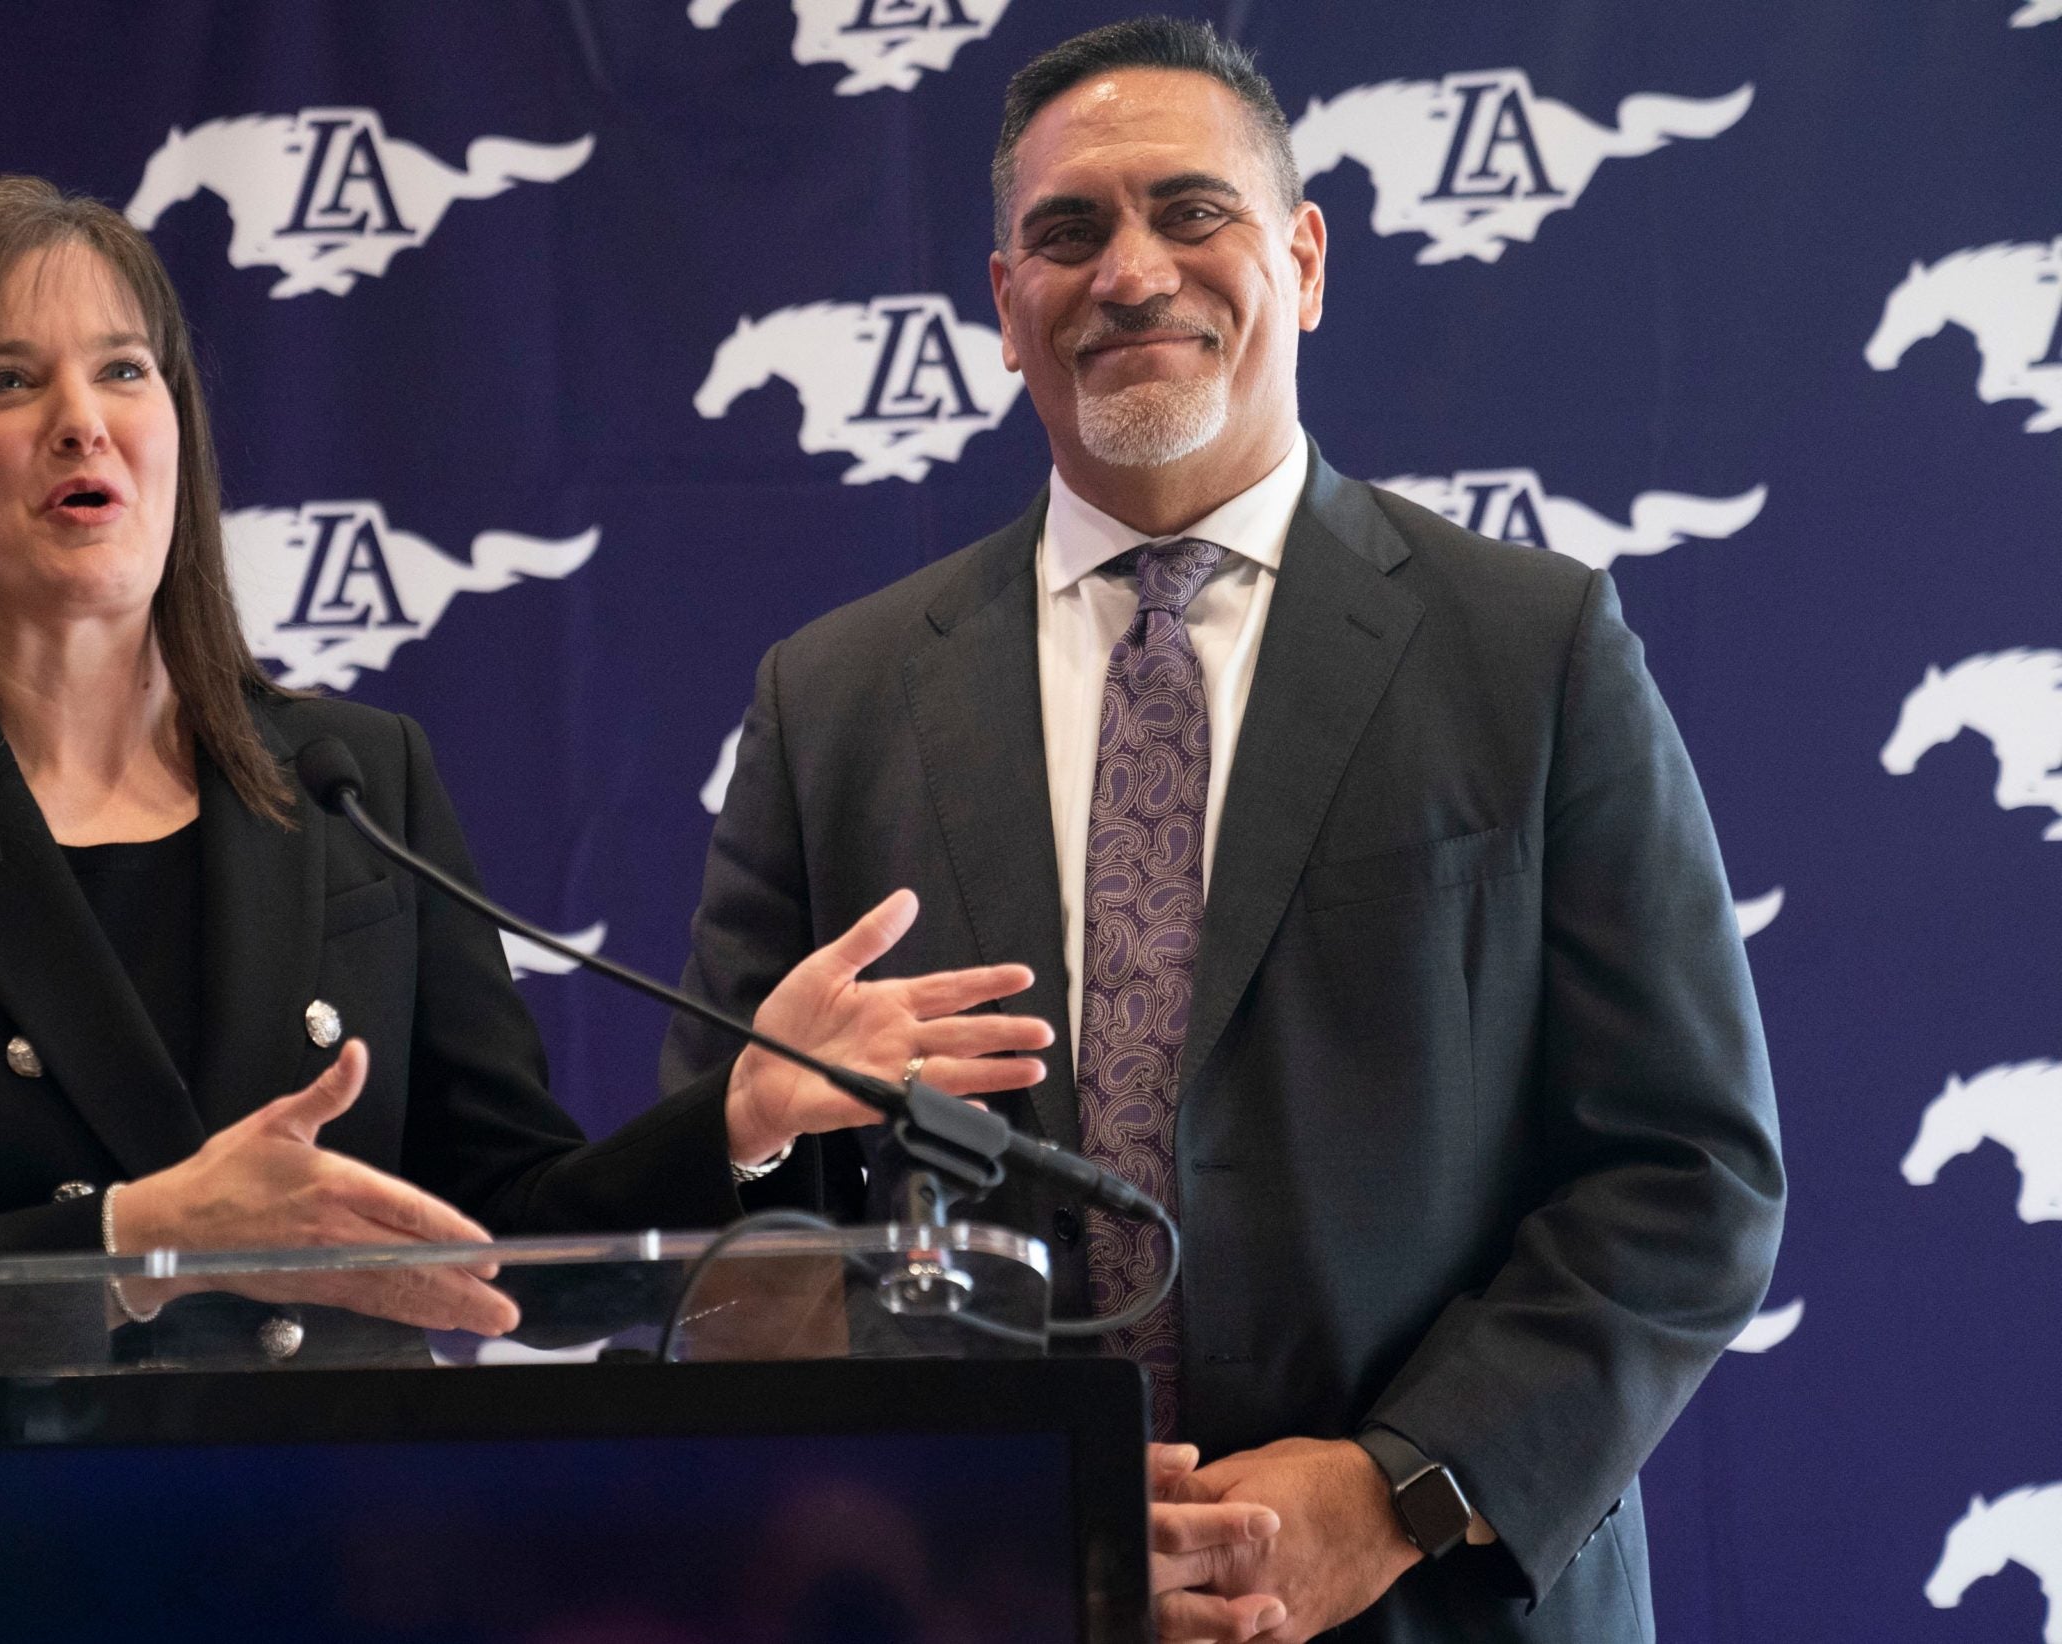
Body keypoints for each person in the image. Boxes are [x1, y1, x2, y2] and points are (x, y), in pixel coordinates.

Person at [659, 19, 1784, 1644]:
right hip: (978, 1603)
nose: (1130, 272)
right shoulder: (832, 701)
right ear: (1001, 307)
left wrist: (1399, 1488)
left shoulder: (1532, 652)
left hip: (1432, 1607)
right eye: (1069, 231)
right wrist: (759, 1155)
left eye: (1193, 212)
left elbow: (1690, 1174)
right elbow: (735, 1187)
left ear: (1305, 261)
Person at [0, 175, 1044, 1386]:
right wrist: (134, 1244)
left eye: (125, 371)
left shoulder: (351, 779)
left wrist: (740, 1115)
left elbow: (513, 1242)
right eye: (9, 381)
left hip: (341, 1545)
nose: (82, 423)